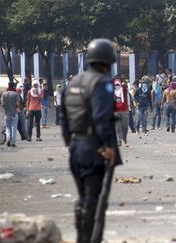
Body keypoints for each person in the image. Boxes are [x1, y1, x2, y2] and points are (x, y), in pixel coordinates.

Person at [61, 38, 122, 243]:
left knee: (84, 198)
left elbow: (64, 119)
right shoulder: (102, 82)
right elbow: (101, 117)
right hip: (94, 146)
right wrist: (107, 145)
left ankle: (82, 238)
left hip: (76, 147)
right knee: (94, 201)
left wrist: (71, 143)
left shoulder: (73, 82)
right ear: (107, 61)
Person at [1, 82, 22, 147]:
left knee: (8, 127)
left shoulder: (4, 94)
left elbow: (2, 104)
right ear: (13, 86)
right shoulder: (16, 94)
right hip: (14, 113)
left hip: (7, 113)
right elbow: (18, 104)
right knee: (14, 128)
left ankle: (8, 139)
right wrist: (17, 108)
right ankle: (13, 142)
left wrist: (6, 107)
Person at [114, 79, 130, 146]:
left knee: (125, 126)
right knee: (118, 126)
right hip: (116, 111)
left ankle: (124, 138)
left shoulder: (123, 90)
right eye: (116, 85)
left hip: (124, 111)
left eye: (118, 84)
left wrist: (124, 83)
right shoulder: (112, 92)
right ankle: (119, 140)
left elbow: (125, 86)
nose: (117, 86)